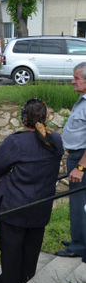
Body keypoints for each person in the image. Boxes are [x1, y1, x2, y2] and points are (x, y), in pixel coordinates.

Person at [0, 99, 63, 283]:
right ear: (47, 117)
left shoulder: (15, 142)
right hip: (40, 205)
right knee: (32, 247)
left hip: (14, 205)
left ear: (23, 118)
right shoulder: (55, 140)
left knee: (11, 249)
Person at [56, 62, 86, 258]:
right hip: (76, 156)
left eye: (76, 78)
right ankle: (79, 239)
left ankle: (79, 246)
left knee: (79, 203)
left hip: (81, 159)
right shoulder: (82, 101)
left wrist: (81, 167)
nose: (72, 81)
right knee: (78, 203)